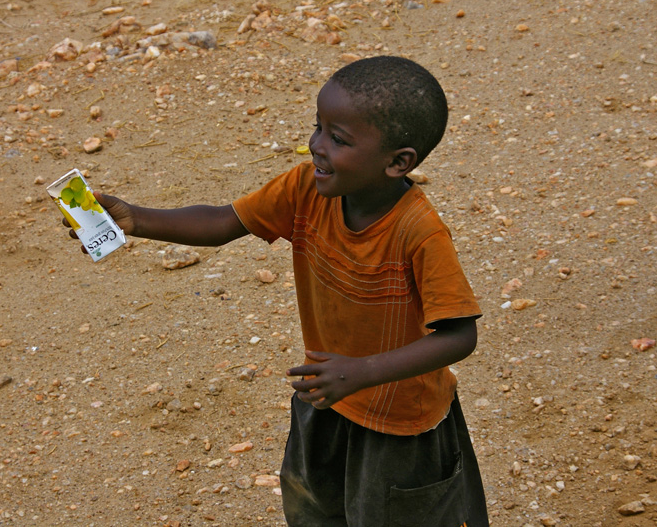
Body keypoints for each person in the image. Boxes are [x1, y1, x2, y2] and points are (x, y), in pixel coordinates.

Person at [64, 56, 488, 526]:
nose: (316, 148)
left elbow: (458, 336)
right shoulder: (305, 188)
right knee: (317, 510)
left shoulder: (419, 233)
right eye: (318, 128)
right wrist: (139, 219)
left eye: (338, 139)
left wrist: (363, 372)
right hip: (325, 398)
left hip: (399, 423)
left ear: (398, 162)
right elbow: (224, 221)